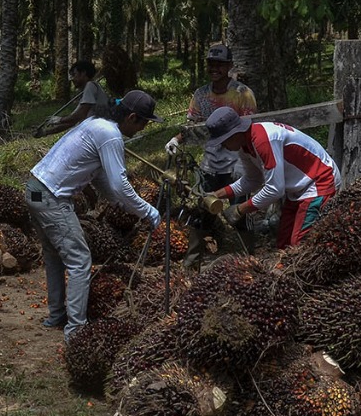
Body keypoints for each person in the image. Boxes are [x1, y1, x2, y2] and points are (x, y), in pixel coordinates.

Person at [25, 90, 163, 340]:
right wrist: (147, 210)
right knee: (79, 261)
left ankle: (56, 315)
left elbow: (100, 177)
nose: (143, 128)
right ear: (132, 117)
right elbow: (121, 184)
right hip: (50, 198)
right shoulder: (110, 135)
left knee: (54, 254)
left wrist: (119, 203)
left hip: (34, 190)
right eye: (143, 122)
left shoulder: (95, 123)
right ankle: (76, 330)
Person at [203, 106, 343, 249]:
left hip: (319, 181)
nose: (223, 145)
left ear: (234, 134)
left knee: (300, 245)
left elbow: (275, 189)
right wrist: (217, 195)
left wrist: (240, 210)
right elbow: (252, 180)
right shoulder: (245, 146)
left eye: (223, 140)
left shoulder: (264, 141)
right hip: (298, 189)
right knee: (284, 243)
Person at [164, 43, 257, 192]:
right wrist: (176, 140)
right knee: (206, 206)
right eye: (211, 64)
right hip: (210, 163)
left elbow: (249, 130)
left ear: (229, 66)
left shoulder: (242, 94)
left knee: (237, 210)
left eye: (219, 65)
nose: (214, 69)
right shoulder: (201, 95)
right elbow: (192, 127)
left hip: (237, 163)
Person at [35, 60, 109, 137]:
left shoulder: (90, 86)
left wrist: (59, 120)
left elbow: (80, 115)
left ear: (83, 73)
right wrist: (46, 132)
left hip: (99, 133)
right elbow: (72, 121)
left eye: (74, 75)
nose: (72, 79)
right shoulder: (87, 91)